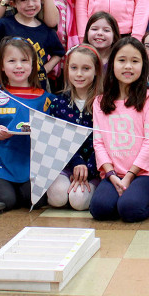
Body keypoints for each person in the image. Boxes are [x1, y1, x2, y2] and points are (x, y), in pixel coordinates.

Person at [0, 37, 55, 210]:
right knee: (6, 202)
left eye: (24, 60)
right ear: (2, 66)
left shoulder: (46, 99)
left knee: (35, 201)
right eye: (12, 61)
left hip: (30, 165)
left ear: (33, 64)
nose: (18, 66)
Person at [90, 37, 149, 222]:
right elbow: (98, 143)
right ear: (112, 63)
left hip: (143, 173)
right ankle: (124, 198)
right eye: (122, 60)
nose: (128, 66)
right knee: (99, 209)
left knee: (130, 210)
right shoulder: (99, 101)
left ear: (143, 66)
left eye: (135, 61)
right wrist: (111, 174)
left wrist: (129, 176)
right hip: (113, 173)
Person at [46, 45, 101, 211]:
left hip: (94, 168)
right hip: (66, 164)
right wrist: (76, 163)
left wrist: (87, 170)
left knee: (78, 201)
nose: (79, 74)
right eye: (74, 68)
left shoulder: (104, 103)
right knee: (57, 196)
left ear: (96, 71)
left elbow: (104, 141)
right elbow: (56, 140)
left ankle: (92, 186)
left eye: (86, 69)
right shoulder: (58, 102)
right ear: (67, 69)